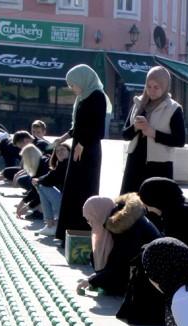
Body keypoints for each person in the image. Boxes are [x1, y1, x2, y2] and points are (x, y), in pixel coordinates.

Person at [54, 65, 112, 243]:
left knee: (84, 190)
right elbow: (78, 125)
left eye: (73, 84)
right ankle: (67, 231)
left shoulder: (97, 96)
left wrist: (83, 144)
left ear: (83, 80)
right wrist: (64, 137)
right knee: (72, 190)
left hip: (89, 150)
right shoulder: (82, 97)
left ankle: (82, 230)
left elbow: (98, 129)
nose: (72, 88)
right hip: (78, 149)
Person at [77, 193, 161, 296]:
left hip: (155, 273)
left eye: (91, 220)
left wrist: (93, 280)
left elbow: (120, 264)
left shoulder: (123, 226)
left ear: (99, 215)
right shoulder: (119, 218)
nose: (90, 224)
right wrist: (95, 278)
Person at [120, 66, 186, 194]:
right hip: (135, 163)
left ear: (165, 87)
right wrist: (135, 127)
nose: (151, 91)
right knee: (129, 206)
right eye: (149, 86)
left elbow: (180, 140)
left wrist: (153, 133)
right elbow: (125, 134)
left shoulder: (173, 108)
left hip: (158, 166)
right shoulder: (139, 103)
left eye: (156, 87)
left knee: (155, 206)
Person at [34, 143, 71, 236]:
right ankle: (50, 224)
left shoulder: (66, 165)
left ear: (69, 152)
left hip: (68, 205)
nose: (59, 152)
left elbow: (48, 180)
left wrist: (37, 180)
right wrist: (38, 180)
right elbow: (48, 177)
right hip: (65, 202)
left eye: (62, 149)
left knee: (42, 186)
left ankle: (50, 223)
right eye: (57, 151)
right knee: (41, 186)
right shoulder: (61, 165)